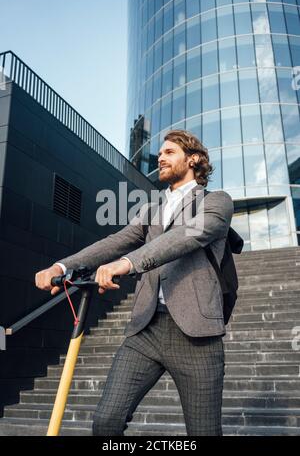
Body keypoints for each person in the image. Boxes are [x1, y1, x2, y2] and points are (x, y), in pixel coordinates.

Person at [35, 129, 234, 436]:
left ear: (193, 159)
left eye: (169, 152)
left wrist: (128, 263)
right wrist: (62, 265)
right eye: (160, 153)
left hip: (197, 336)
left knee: (204, 432)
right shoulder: (150, 209)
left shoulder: (217, 202)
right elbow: (115, 242)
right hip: (146, 331)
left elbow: (187, 236)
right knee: (106, 423)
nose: (161, 158)